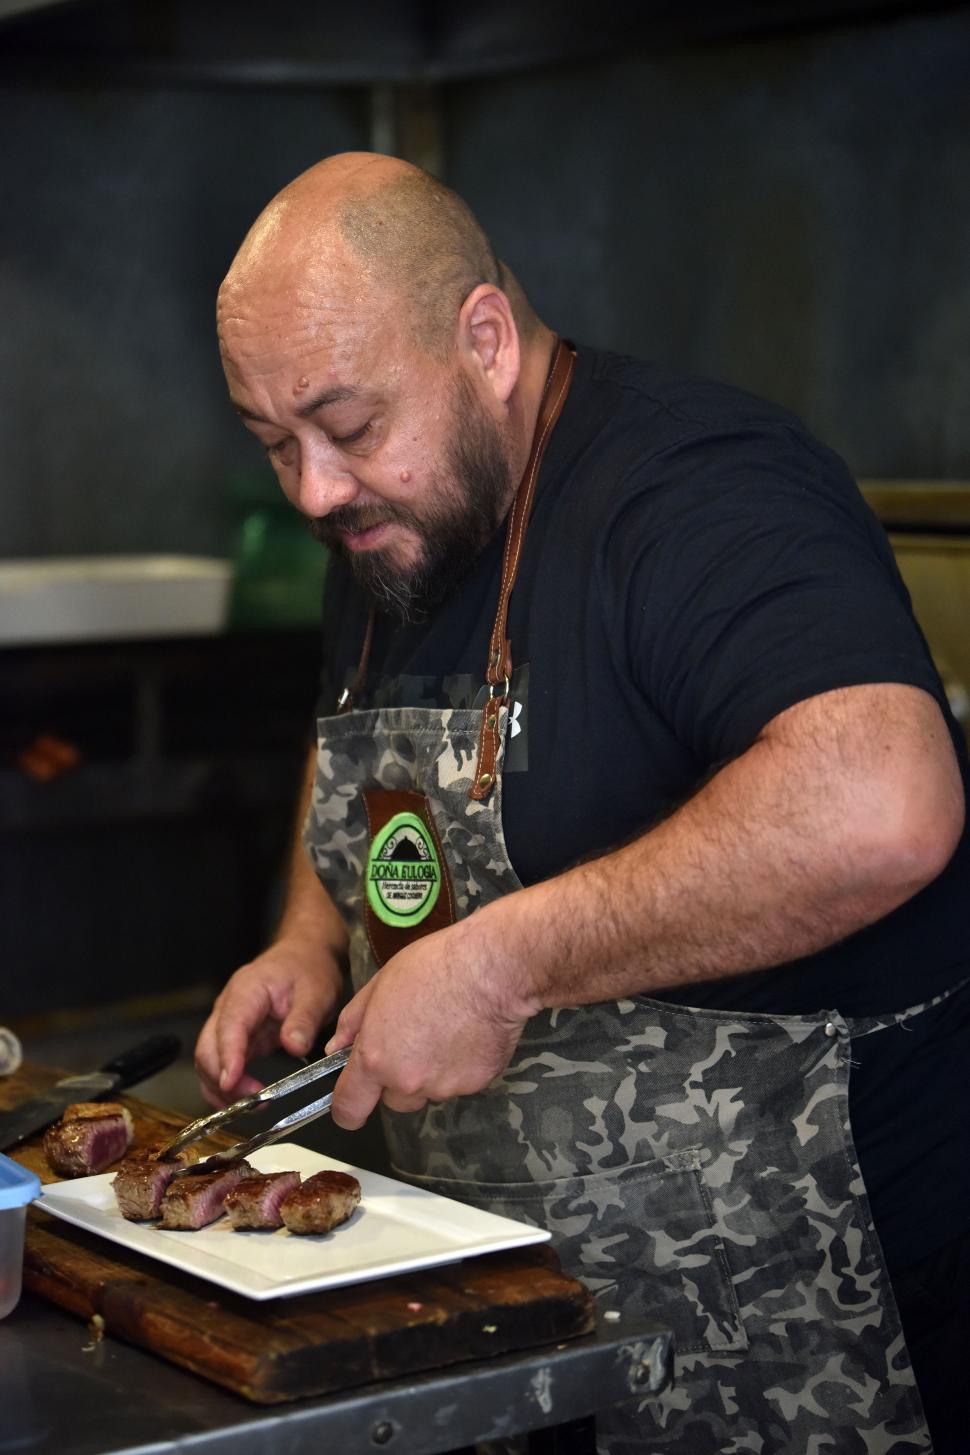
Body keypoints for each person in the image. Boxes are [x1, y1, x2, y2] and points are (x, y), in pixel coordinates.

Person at [197, 152, 969, 1453]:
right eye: (275, 443)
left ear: (484, 338)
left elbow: (880, 802)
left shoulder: (697, 489)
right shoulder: (394, 514)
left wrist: (497, 968)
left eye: (347, 425)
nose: (313, 491)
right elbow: (358, 750)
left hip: (803, 1334)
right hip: (521, 1309)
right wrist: (309, 935)